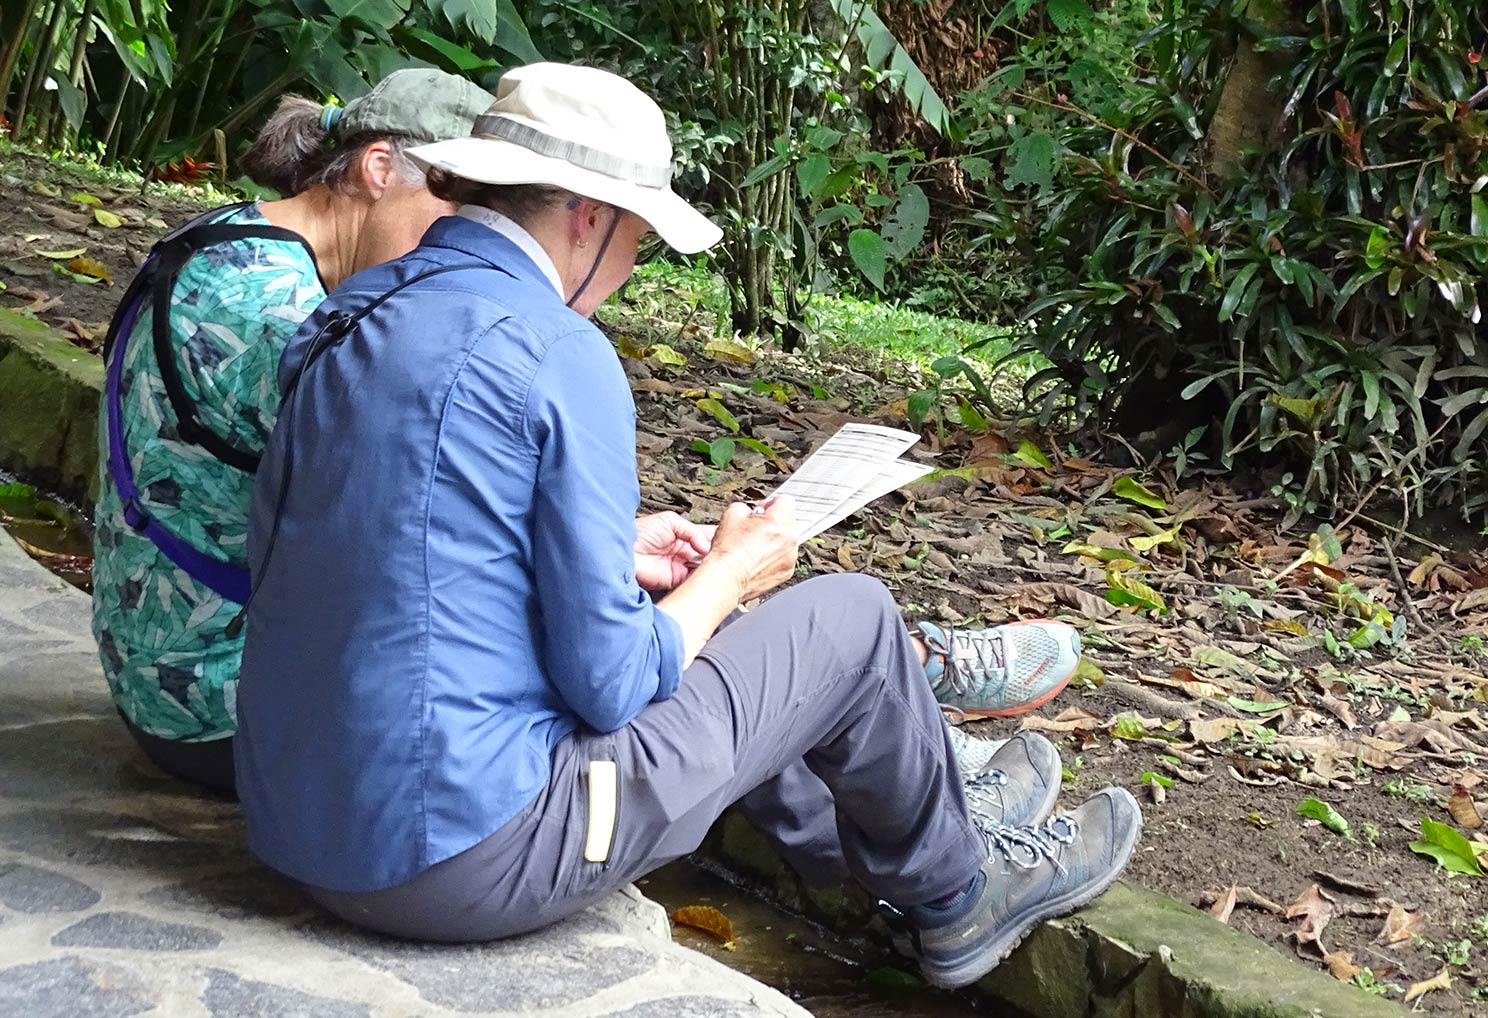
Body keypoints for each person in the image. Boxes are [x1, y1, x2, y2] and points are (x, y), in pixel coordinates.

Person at [233, 62, 1140, 989]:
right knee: (853, 622)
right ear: (590, 217)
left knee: (719, 630)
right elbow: (616, 683)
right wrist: (729, 576)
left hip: (301, 828)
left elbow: (367, 545)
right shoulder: (557, 351)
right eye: (638, 240)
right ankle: (960, 891)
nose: (629, 271)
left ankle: (906, 840)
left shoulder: (349, 314)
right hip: (461, 861)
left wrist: (620, 555)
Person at [90, 69, 495, 795]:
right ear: (379, 169)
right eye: (458, 206)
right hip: (217, 709)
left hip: (167, 674)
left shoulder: (235, 237)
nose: (465, 241)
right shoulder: (271, 313)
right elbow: (412, 522)